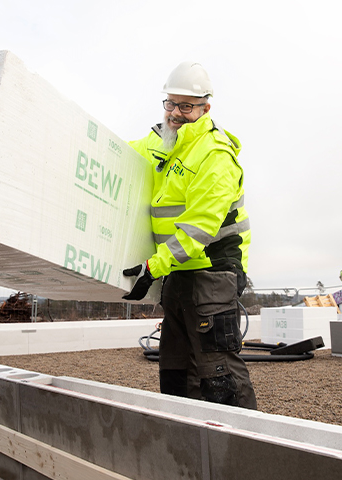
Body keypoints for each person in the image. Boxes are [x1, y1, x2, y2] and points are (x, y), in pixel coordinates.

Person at [122, 61, 256, 409]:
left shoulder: (215, 154)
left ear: (205, 107)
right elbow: (118, 157)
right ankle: (188, 444)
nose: (176, 113)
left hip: (212, 272)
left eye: (186, 106)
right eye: (170, 104)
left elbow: (199, 227)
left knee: (217, 370)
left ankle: (242, 446)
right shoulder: (161, 141)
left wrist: (153, 266)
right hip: (177, 271)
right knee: (176, 369)